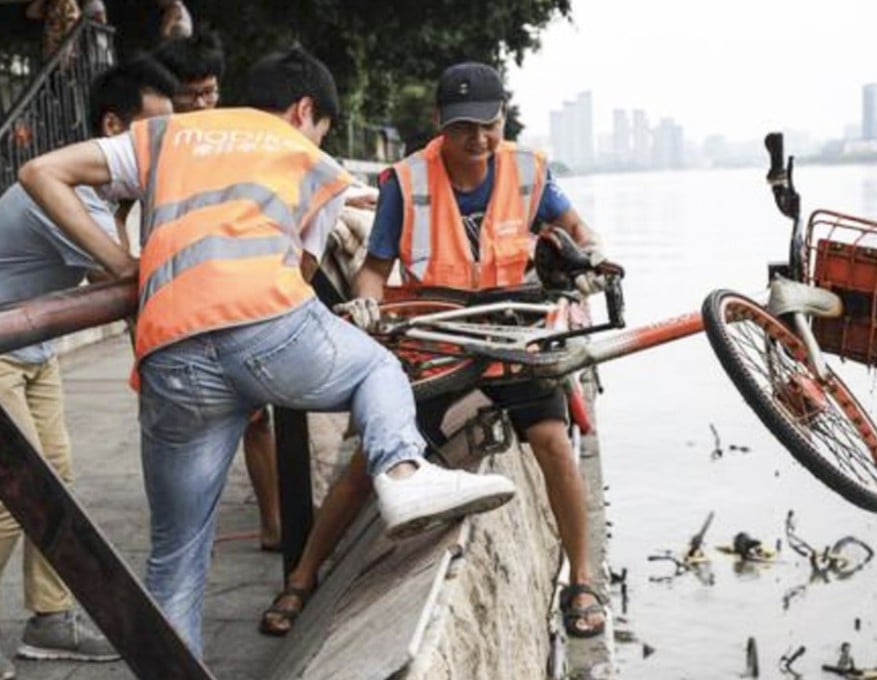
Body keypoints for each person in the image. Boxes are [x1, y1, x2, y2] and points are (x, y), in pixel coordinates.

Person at [17, 47, 517, 656]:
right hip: (267, 327)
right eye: (322, 126)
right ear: (305, 110)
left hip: (171, 348)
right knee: (377, 368)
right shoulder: (312, 160)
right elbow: (300, 274)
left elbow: (39, 173)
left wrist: (121, 264)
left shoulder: (168, 134)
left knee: (176, 554)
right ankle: (402, 473)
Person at [259, 62, 609, 640]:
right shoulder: (406, 182)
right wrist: (366, 306)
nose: (477, 139)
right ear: (439, 121)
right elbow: (375, 269)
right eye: (463, 127)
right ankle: (302, 578)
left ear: (503, 118)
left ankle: (584, 579)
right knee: (369, 462)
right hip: (438, 341)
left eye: (488, 125)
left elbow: (580, 234)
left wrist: (590, 261)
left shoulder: (530, 171)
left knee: (552, 440)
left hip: (513, 335)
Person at [0, 55, 177, 676]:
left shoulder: (100, 197)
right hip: (2, 356)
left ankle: (49, 619)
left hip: (31, 353)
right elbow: (124, 279)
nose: (161, 153)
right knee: (10, 501)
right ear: (112, 128)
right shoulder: (69, 195)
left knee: (58, 483)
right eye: (153, 134)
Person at [153, 28, 282, 552]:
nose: (203, 104)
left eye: (210, 92)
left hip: (230, 297)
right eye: (191, 95)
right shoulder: (155, 144)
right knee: (179, 429)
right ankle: (183, 537)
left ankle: (274, 525)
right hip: (173, 308)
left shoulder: (232, 140)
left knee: (256, 419)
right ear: (170, 96)